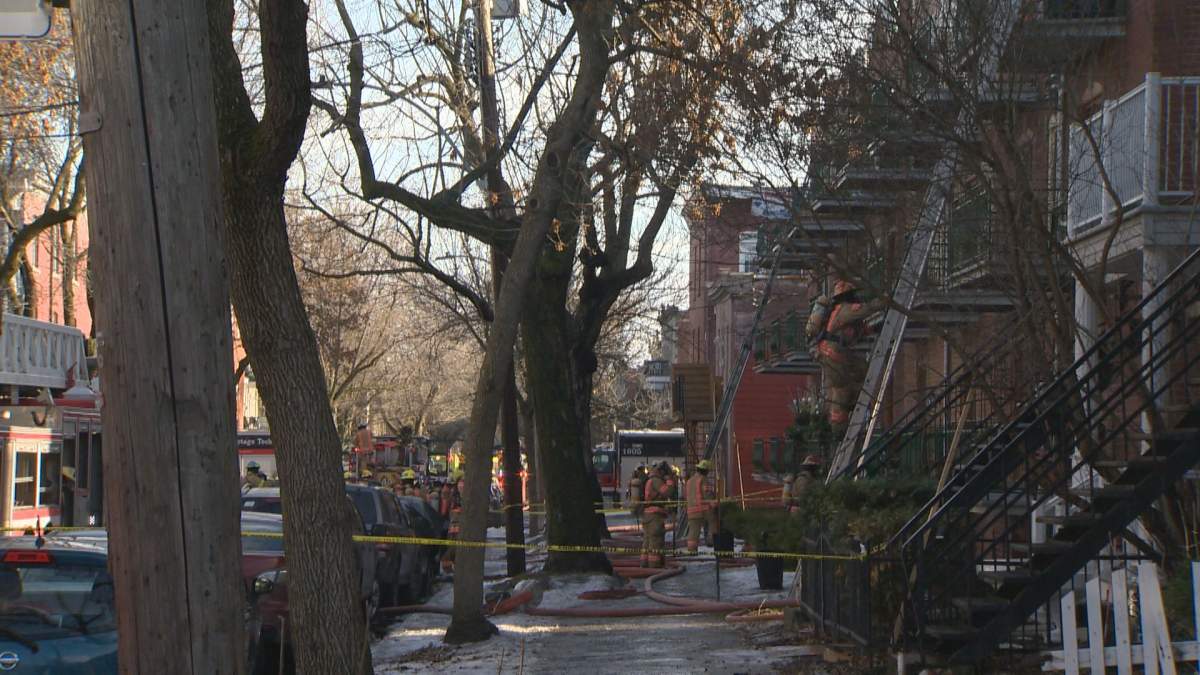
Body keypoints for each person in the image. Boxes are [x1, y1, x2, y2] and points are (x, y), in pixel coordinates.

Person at [806, 279, 882, 439]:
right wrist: (887, 299)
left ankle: (841, 420)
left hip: (829, 354)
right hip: (834, 355)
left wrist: (873, 329)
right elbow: (867, 309)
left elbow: (853, 333)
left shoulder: (836, 312)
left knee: (848, 382)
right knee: (847, 384)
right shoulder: (846, 310)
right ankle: (839, 428)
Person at [641, 462, 672, 568]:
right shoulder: (656, 481)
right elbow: (668, 492)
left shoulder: (649, 480)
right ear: (661, 471)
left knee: (647, 540)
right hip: (655, 516)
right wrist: (669, 480)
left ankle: (644, 564)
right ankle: (654, 566)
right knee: (656, 542)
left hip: (647, 515)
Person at [685, 460, 718, 553]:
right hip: (703, 508)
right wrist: (714, 503)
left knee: (693, 531)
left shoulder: (690, 480)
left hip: (691, 509)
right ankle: (712, 541)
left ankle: (691, 550)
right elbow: (707, 493)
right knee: (713, 522)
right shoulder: (703, 479)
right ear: (705, 470)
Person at [442, 469, 464, 573]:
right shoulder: (455, 493)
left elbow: (446, 510)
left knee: (453, 548)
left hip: (455, 526)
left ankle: (450, 568)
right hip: (455, 527)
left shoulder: (454, 493)